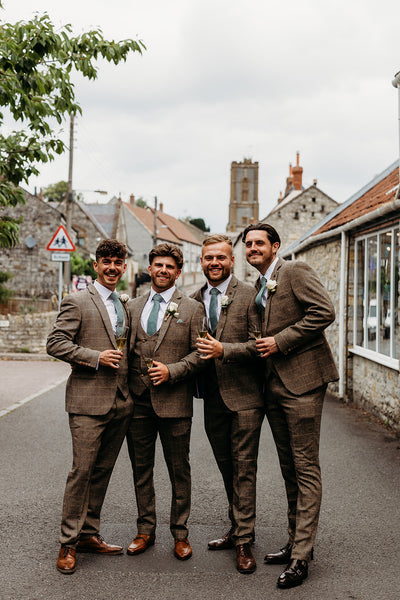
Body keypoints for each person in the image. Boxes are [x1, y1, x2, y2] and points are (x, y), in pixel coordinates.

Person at [243, 222, 339, 589]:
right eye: (248, 244)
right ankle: (294, 540)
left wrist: (280, 341)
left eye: (258, 243)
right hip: (274, 388)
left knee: (305, 468)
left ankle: (302, 557)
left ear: (275, 246)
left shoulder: (295, 270)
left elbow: (323, 312)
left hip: (303, 383)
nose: (252, 248)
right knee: (289, 469)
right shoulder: (258, 285)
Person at [47, 239, 133, 575]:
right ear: (95, 265)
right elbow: (55, 343)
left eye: (118, 262)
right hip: (86, 402)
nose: (112, 267)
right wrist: (95, 358)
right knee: (81, 472)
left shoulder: (123, 305)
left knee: (102, 472)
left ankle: (88, 534)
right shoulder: (77, 301)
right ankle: (67, 543)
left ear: (124, 266)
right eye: (106, 261)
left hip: (120, 403)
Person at [125, 243, 205, 561]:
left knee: (178, 470)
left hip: (175, 402)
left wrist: (172, 371)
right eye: (158, 265)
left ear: (178, 272)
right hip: (139, 402)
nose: (163, 271)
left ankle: (181, 534)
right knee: (141, 469)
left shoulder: (193, 308)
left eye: (170, 267)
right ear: (150, 267)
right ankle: (145, 530)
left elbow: (201, 353)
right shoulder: (131, 307)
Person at [191, 234, 264, 574]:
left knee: (244, 468)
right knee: (227, 467)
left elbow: (259, 345)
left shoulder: (250, 295)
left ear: (232, 260)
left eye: (221, 257)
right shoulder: (192, 300)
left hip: (246, 398)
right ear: (201, 261)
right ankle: (236, 525)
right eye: (209, 258)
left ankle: (245, 541)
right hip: (211, 397)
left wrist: (225, 351)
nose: (215, 263)